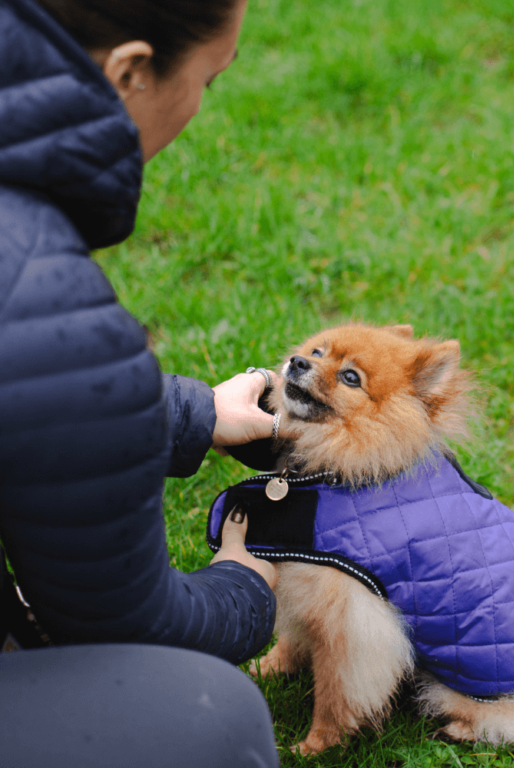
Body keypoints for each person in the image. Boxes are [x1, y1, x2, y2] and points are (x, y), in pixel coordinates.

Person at [0, 0, 281, 765]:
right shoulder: (36, 290)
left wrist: (193, 414)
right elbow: (131, 629)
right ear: (130, 70)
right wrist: (249, 584)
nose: (199, 106)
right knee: (208, 717)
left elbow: (26, 382)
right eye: (208, 82)